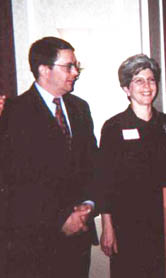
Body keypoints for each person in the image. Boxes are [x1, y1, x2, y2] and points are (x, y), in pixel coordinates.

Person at [0, 37, 97, 278]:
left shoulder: (80, 108)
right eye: (69, 66)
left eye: (76, 66)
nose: (75, 73)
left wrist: (89, 204)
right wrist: (60, 219)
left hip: (79, 236)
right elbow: (16, 182)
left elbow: (92, 164)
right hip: (36, 239)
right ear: (44, 69)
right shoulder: (13, 113)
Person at [97, 54, 166, 277]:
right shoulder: (114, 127)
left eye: (151, 80)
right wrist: (108, 227)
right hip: (128, 225)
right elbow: (105, 180)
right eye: (138, 80)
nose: (147, 86)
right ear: (126, 89)